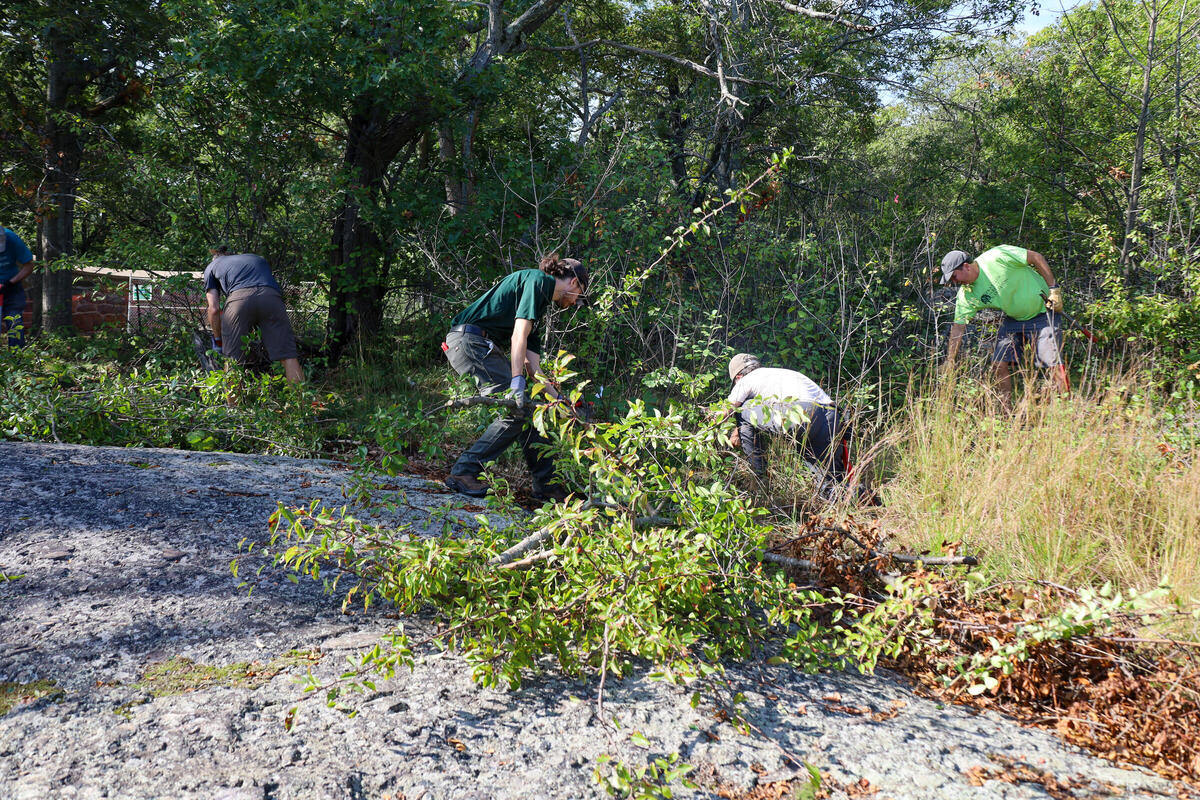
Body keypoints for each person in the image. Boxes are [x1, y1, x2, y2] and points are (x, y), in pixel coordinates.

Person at [442, 253, 588, 502]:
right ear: (574, 282)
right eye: (580, 296)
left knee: (531, 411)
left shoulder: (537, 303)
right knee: (515, 410)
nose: (575, 303)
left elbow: (534, 366)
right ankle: (464, 472)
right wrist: (517, 382)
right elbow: (517, 336)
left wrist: (559, 401)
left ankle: (546, 485)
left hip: (475, 344)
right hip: (470, 342)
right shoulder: (538, 281)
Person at [939, 246, 1067, 400]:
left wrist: (1054, 290)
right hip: (1015, 319)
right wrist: (950, 360)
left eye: (954, 276)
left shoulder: (997, 256)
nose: (955, 282)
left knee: (1052, 364)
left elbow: (1036, 257)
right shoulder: (967, 295)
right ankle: (1006, 411)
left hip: (1043, 312)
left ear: (966, 266)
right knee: (998, 364)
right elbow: (958, 328)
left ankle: (1066, 405)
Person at [723, 353, 852, 484]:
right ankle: (862, 497)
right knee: (829, 481)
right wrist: (737, 431)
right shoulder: (781, 373)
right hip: (831, 416)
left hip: (801, 414)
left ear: (738, 377)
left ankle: (759, 477)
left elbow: (729, 408)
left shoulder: (746, 380)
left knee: (744, 407)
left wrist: (709, 425)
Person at [202, 245, 304, 383]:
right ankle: (300, 403)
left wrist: (218, 340)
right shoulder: (255, 258)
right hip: (271, 297)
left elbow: (213, 309)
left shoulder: (212, 266)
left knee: (233, 361)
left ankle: (232, 406)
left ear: (215, 258)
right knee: (289, 356)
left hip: (238, 299)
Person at [0, 226, 36, 347]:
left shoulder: (11, 238)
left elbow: (29, 265)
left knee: (14, 321)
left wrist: (11, 283)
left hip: (11, 288)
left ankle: (17, 360)